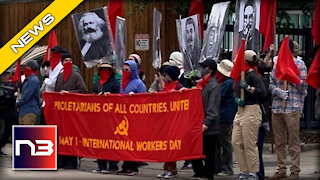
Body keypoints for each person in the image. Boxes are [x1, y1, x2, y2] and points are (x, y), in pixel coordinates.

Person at [269, 39, 308, 180]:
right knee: (279, 141)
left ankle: (295, 170)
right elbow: (271, 84)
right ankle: (281, 168)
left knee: (293, 140)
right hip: (278, 107)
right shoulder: (276, 64)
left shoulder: (299, 64)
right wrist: (277, 91)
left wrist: (294, 78)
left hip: (293, 107)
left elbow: (304, 86)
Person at [231, 50, 266, 180]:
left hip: (251, 110)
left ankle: (253, 172)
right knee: (236, 141)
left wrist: (249, 88)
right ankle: (244, 170)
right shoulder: (241, 75)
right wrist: (236, 99)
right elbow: (235, 92)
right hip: (241, 110)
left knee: (249, 143)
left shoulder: (252, 75)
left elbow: (263, 92)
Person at [55, 51, 88, 169]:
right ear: (62, 63)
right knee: (61, 137)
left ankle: (72, 161)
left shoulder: (76, 76)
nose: (68, 62)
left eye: (70, 60)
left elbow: (83, 90)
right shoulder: (59, 76)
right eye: (65, 61)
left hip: (72, 113)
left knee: (72, 137)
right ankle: (62, 159)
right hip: (61, 113)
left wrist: (70, 94)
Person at [190, 58, 220, 180]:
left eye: (205, 67)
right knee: (196, 150)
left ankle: (208, 174)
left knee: (208, 152)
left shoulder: (213, 86)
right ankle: (199, 172)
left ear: (210, 69)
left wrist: (206, 123)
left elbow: (212, 107)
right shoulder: (201, 84)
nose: (202, 69)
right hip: (198, 122)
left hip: (209, 125)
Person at [117, 60, 146, 176]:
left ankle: (133, 167)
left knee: (132, 143)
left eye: (127, 70)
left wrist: (135, 98)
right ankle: (125, 165)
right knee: (124, 143)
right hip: (124, 117)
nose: (124, 72)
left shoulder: (139, 84)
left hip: (135, 118)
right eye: (123, 69)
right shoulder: (122, 83)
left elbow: (144, 100)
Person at [92, 63, 120, 174]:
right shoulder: (97, 83)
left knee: (111, 141)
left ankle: (113, 165)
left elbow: (119, 98)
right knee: (99, 142)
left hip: (111, 117)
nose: (104, 71)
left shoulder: (115, 83)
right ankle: (101, 165)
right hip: (99, 117)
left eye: (107, 69)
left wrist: (110, 96)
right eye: (102, 69)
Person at [156, 66, 183, 179]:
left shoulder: (179, 87)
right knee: (165, 147)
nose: (164, 77)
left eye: (166, 75)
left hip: (174, 121)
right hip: (165, 121)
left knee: (171, 147)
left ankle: (172, 169)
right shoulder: (165, 87)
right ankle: (166, 168)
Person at [215, 59, 236, 177]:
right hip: (223, 114)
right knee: (222, 142)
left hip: (224, 115)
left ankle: (227, 167)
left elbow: (220, 96)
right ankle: (221, 166)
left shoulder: (227, 83)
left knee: (225, 142)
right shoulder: (226, 82)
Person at [256, 60, 272, 180]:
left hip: (261, 118)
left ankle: (259, 173)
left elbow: (261, 95)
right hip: (256, 117)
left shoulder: (264, 82)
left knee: (258, 147)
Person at [17, 60, 40, 125]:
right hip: (23, 110)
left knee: (27, 133)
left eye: (26, 67)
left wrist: (18, 103)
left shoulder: (33, 80)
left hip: (29, 111)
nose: (24, 69)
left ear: (30, 68)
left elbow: (27, 95)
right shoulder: (27, 79)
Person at [0, 71, 17, 155]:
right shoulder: (8, 85)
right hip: (8, 113)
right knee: (7, 131)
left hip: (8, 112)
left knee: (7, 131)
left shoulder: (8, 85)